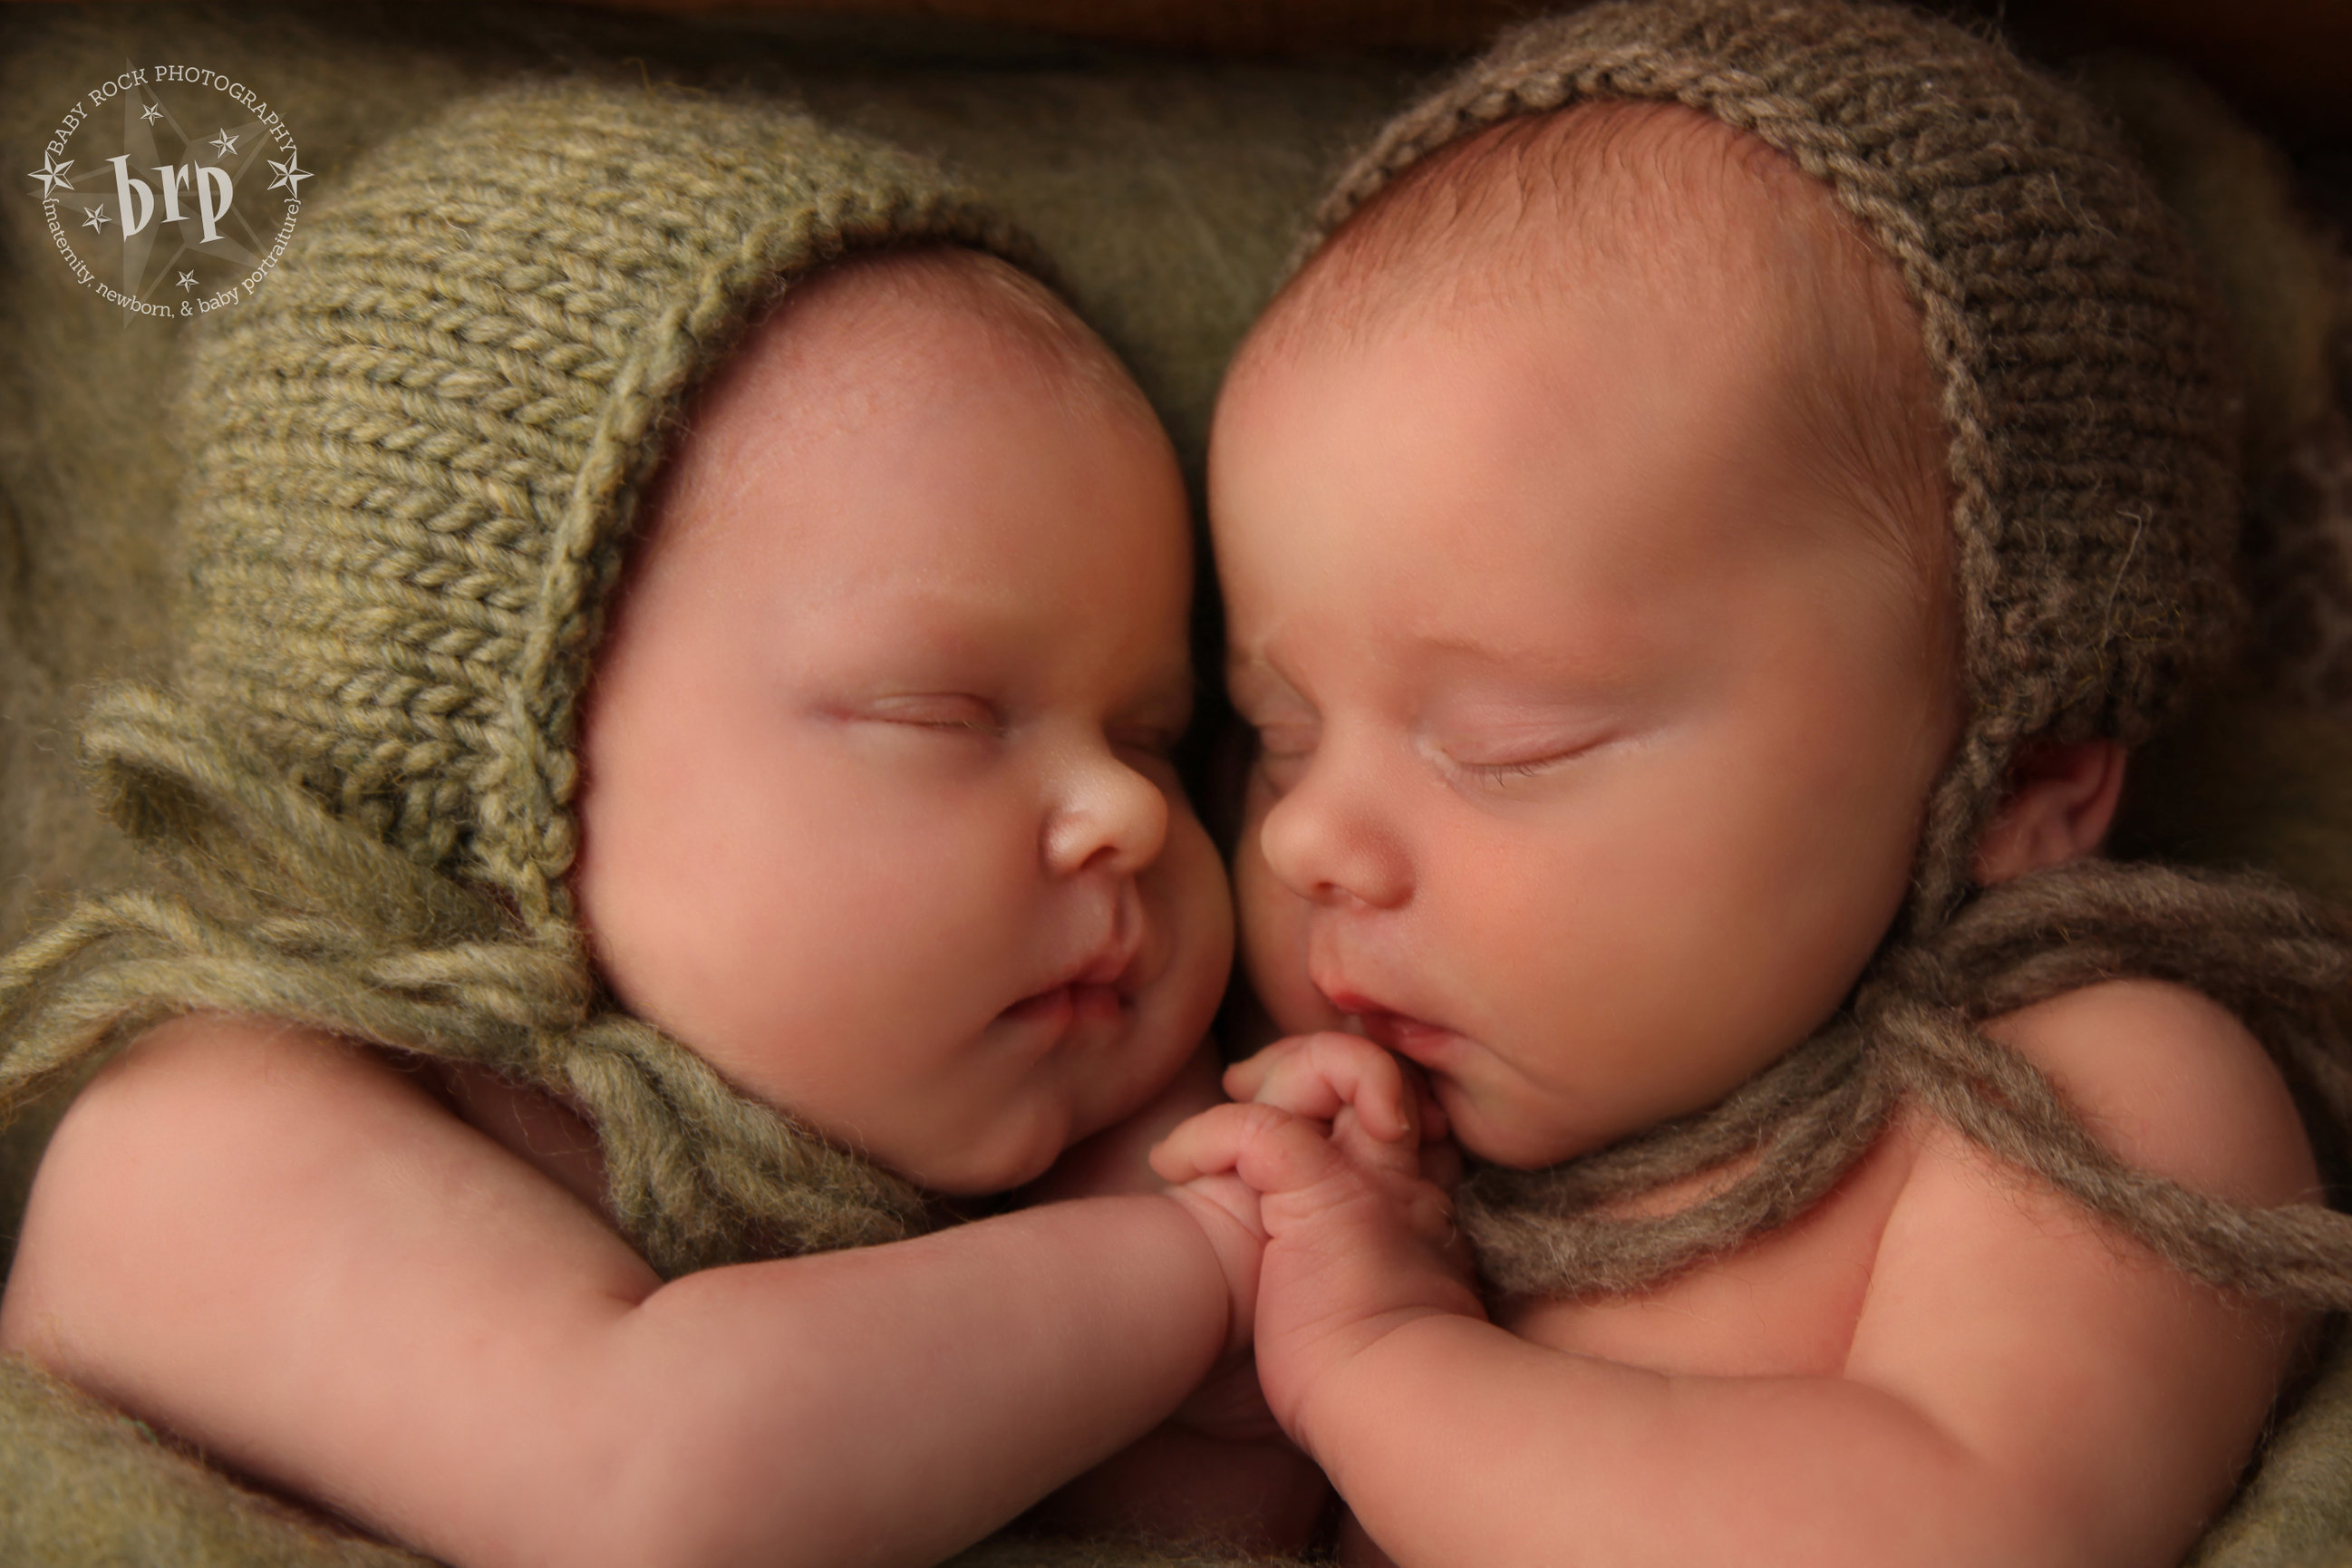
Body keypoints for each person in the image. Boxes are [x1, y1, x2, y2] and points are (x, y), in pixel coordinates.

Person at [0, 82, 1311, 1568]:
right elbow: (655, 1496)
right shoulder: (214, 1135)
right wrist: (1192, 1264)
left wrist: (1257, 1356)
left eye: (1154, 730)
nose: (1133, 811)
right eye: (945, 715)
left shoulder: (942, 1167)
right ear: (520, 787)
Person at [1157, 2, 2352, 1564]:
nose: (1309, 837)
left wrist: (1376, 1365)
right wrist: (1238, 1343)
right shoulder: (1372, 1165)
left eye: (1515, 739)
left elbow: (1964, 1528)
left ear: (2019, 778)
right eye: (1282, 735)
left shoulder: (2078, 1093)